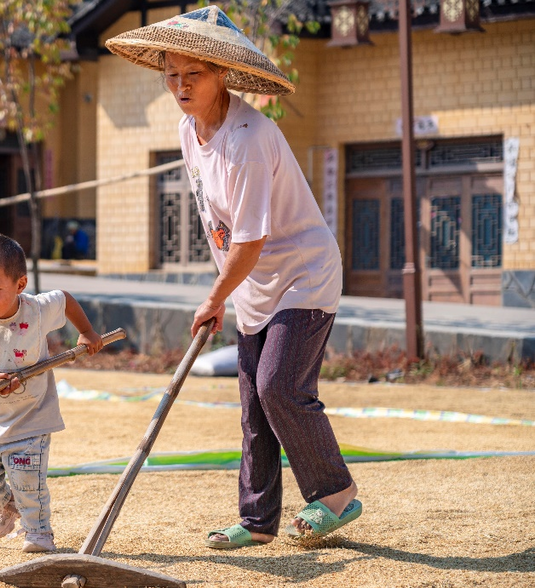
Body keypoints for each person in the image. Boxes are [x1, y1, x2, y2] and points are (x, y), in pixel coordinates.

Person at [106, 6, 362, 548]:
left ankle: (335, 494)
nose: (180, 86)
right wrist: (231, 292)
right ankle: (258, 521)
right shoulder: (186, 129)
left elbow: (251, 239)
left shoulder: (247, 139)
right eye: (171, 75)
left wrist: (213, 297)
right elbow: (217, 225)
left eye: (192, 75)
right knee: (252, 404)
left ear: (221, 74)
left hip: (303, 277)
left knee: (279, 387)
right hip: (252, 284)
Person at [0, 233, 103, 552]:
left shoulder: (36, 310)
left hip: (31, 418)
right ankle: (5, 506)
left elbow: (65, 299)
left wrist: (86, 332)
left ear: (20, 284)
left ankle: (38, 533)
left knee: (27, 480)